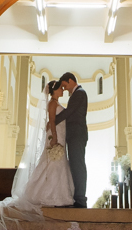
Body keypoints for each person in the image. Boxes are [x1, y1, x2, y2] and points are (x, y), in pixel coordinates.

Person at [0, 80, 73, 229]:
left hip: (60, 137)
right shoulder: (52, 103)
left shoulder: (54, 103)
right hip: (56, 138)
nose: (63, 90)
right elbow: (51, 121)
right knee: (51, 166)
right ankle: (48, 196)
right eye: (61, 89)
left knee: (56, 167)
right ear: (55, 90)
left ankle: (57, 195)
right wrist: (54, 139)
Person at [54, 72, 88, 208]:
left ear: (70, 81)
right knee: (74, 166)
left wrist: (53, 121)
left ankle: (80, 199)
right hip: (73, 135)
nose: (65, 89)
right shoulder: (77, 93)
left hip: (77, 135)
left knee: (78, 166)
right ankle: (76, 197)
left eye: (65, 86)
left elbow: (69, 112)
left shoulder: (80, 93)